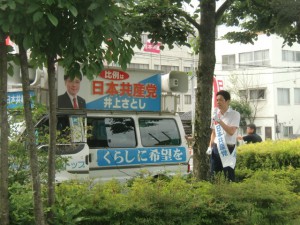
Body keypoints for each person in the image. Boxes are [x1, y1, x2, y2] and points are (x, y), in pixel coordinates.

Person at [208, 90, 240, 182]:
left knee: (229, 177)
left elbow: (231, 131)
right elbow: (213, 133)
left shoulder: (235, 114)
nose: (218, 102)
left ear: (227, 101)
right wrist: (209, 146)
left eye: (221, 100)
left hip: (228, 149)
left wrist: (219, 121)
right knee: (214, 176)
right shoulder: (215, 115)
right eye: (217, 100)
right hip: (216, 148)